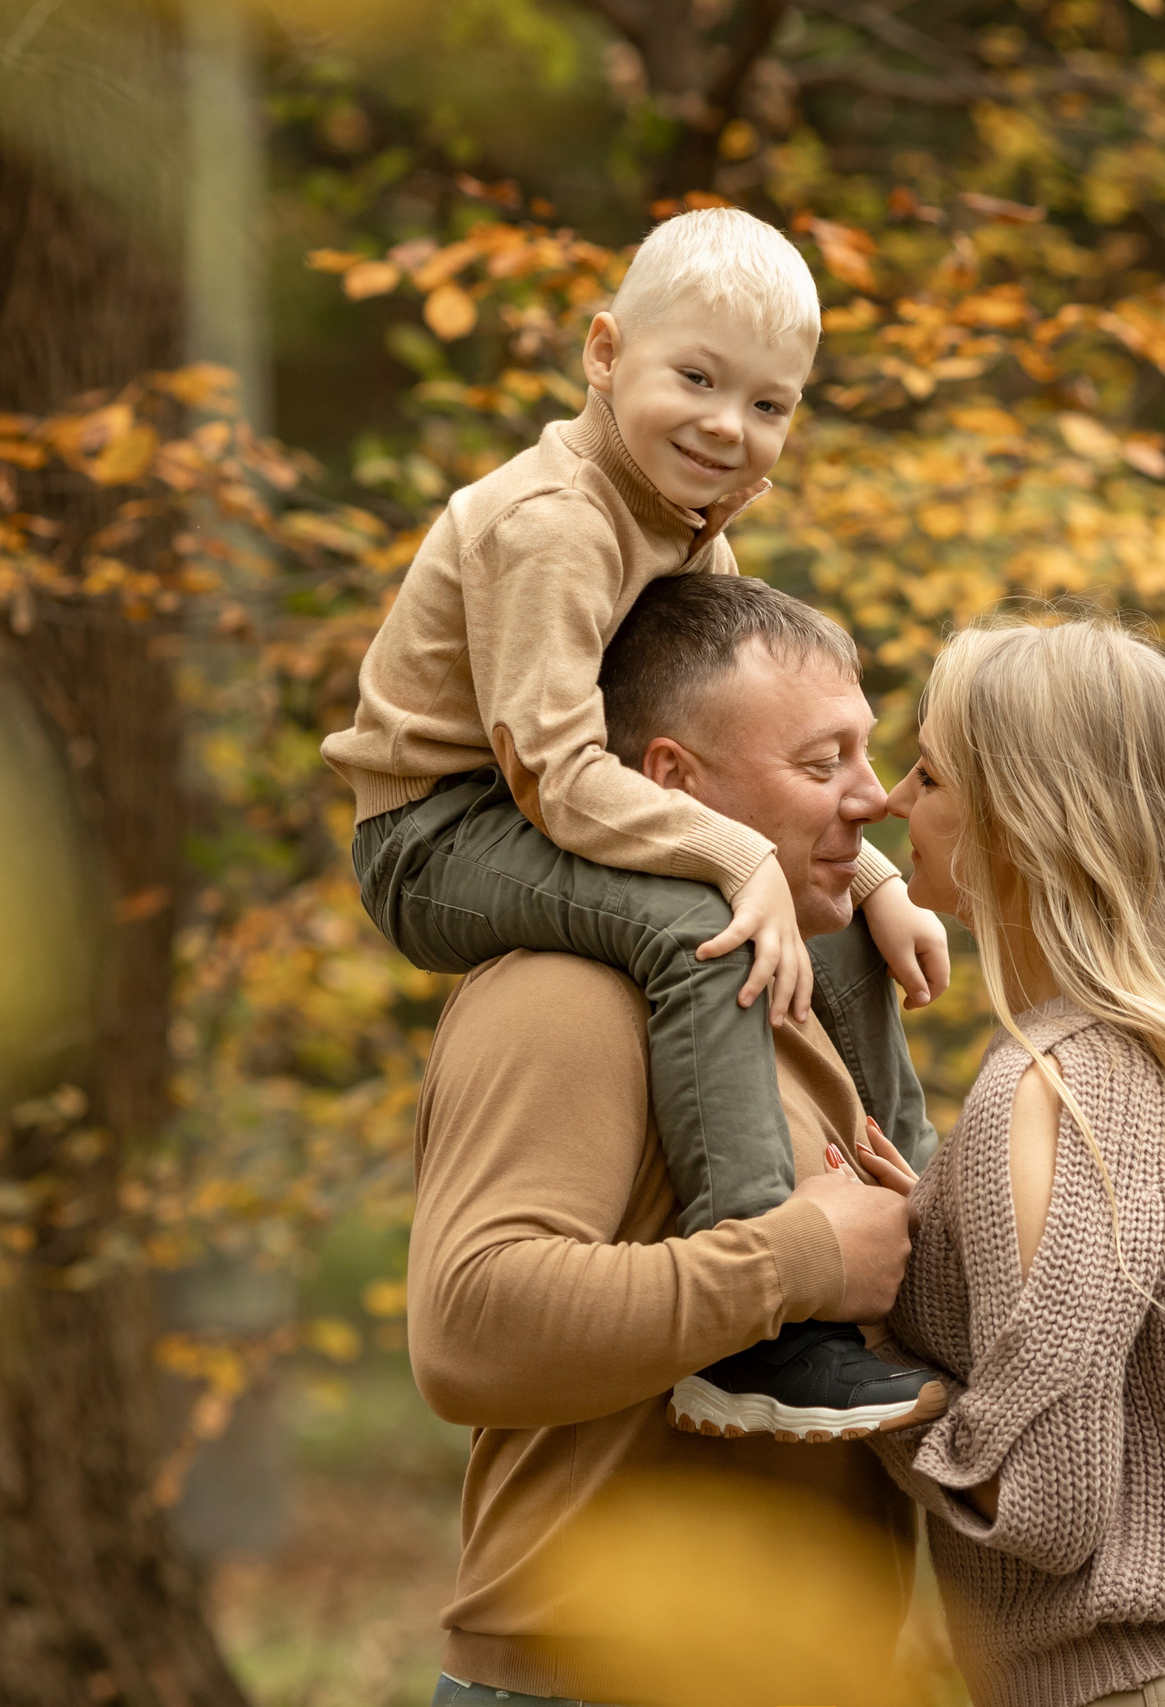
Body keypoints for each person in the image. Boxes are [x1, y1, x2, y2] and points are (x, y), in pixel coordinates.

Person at [324, 206, 950, 1439]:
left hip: (543, 802)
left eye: (769, 406)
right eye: (697, 379)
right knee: (696, 922)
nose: (729, 427)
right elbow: (557, 773)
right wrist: (728, 856)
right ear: (606, 355)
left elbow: (706, 738)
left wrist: (871, 880)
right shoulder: (553, 525)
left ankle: (914, 1204)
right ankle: (768, 1313)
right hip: (436, 831)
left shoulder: (689, 526)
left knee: (819, 908)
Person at [406, 573, 949, 1707]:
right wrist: (798, 1259)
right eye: (819, 765)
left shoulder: (785, 988)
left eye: (868, 755)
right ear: (670, 785)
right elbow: (468, 1327)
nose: (871, 800)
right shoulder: (568, 994)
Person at [852, 617, 1165, 1707]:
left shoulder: (1049, 1086)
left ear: (1021, 822)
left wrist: (861, 1355)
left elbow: (1049, 1501)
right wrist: (926, 1250)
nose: (895, 799)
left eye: (932, 772)